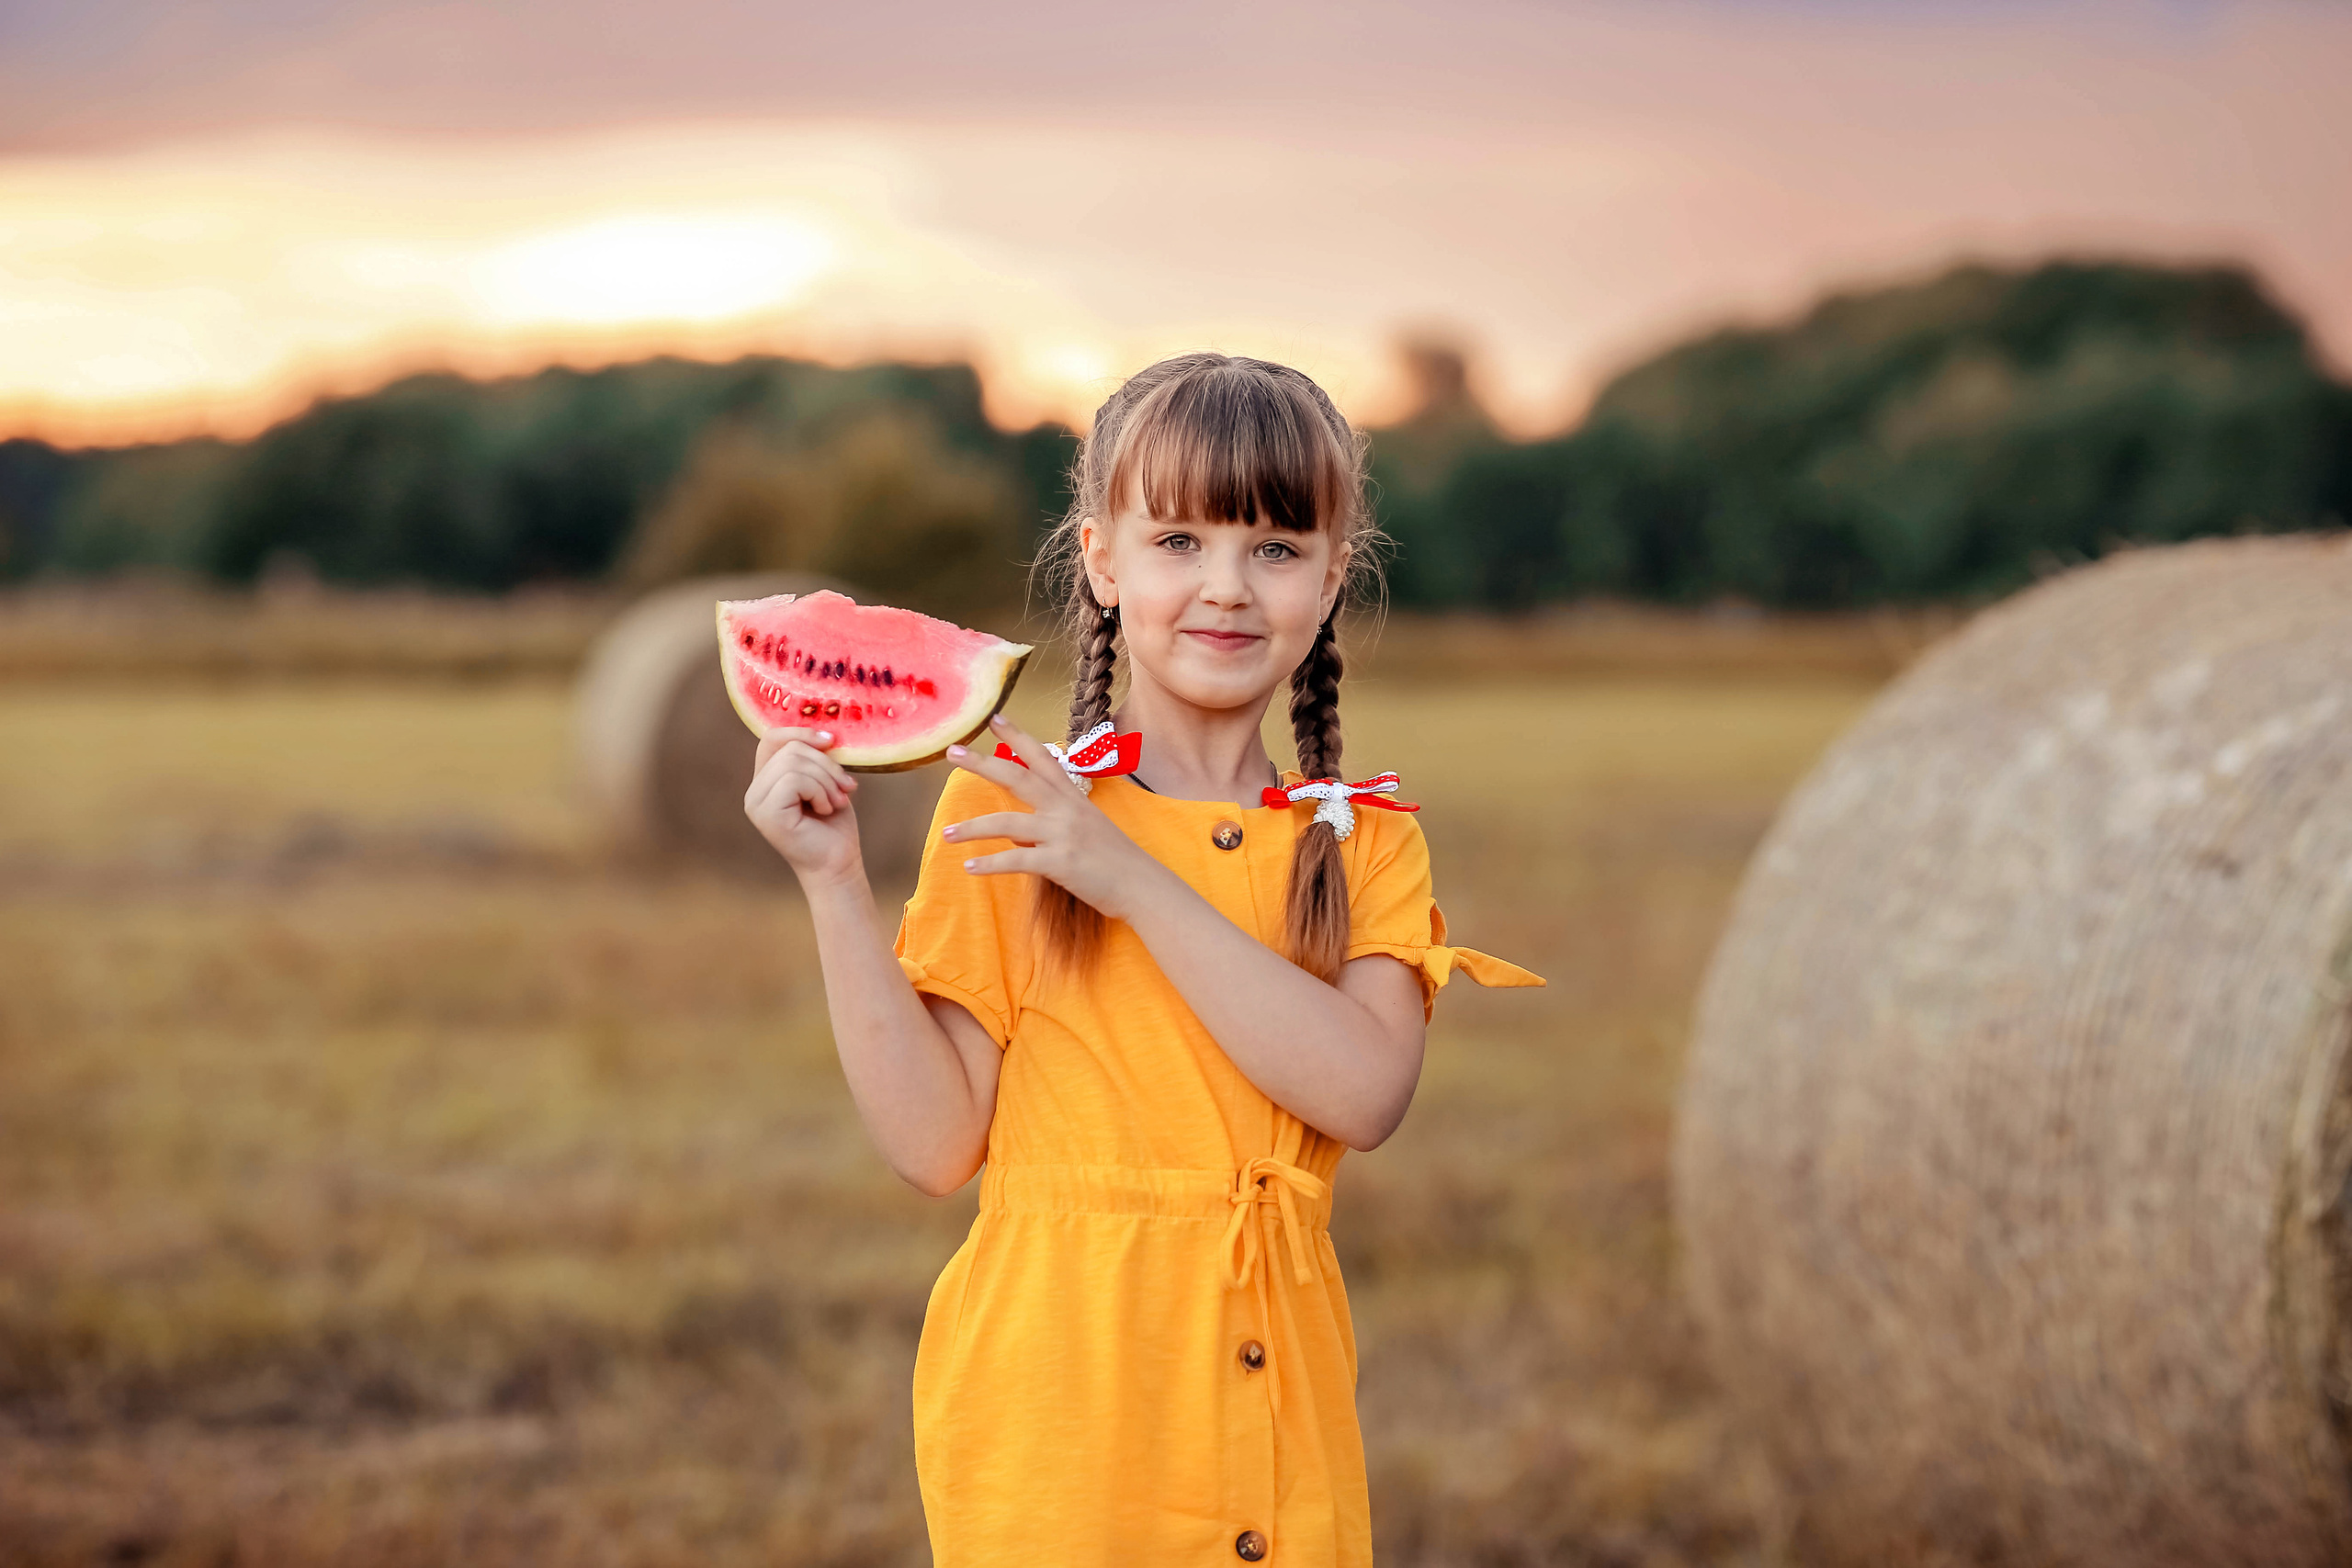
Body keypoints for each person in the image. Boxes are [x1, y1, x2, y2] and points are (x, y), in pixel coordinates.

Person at [743, 352, 1544, 1566]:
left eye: (1275, 548)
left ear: (1334, 579)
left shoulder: (1365, 838)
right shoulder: (1007, 815)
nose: (1226, 587)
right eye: (1178, 541)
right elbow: (932, 1146)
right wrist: (833, 885)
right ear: (1104, 563)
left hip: (1277, 1413)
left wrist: (1124, 878)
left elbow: (1364, 1092)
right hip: (1058, 1428)